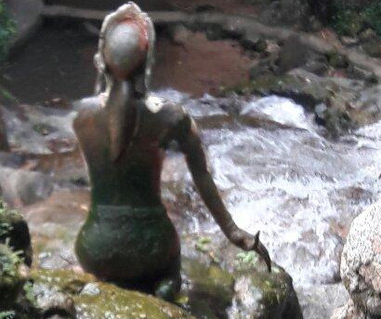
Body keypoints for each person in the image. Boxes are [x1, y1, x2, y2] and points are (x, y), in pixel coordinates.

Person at [73, 2, 271, 298]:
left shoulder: (81, 117)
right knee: (168, 270)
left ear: (101, 61)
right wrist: (233, 232)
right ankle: (166, 288)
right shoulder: (173, 118)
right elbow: (202, 178)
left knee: (100, 252)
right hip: (152, 249)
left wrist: (103, 77)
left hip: (94, 249)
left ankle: (102, 281)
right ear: (147, 64)